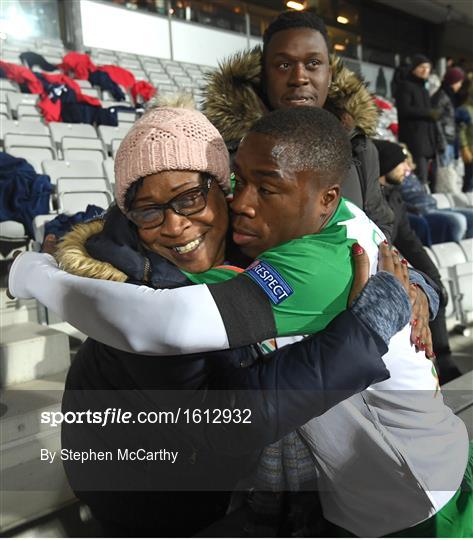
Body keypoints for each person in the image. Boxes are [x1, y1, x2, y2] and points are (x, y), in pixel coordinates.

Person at [10, 106, 471, 538]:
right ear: (129, 216)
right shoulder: (133, 293)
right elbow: (220, 414)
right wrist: (367, 330)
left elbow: (368, 265)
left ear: (217, 186)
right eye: (149, 210)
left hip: (404, 487)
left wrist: (417, 293)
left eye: (191, 197)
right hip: (159, 502)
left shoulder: (281, 247)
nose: (174, 225)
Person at [203, 10, 394, 239]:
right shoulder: (224, 152)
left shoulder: (359, 147)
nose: (299, 77)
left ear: (330, 75)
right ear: (263, 75)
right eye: (283, 65)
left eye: (313, 63)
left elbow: (381, 226)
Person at [374, 139, 463, 384]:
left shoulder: (395, 196)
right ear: (385, 166)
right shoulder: (373, 200)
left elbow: (409, 240)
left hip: (393, 265)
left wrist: (432, 277)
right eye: (400, 163)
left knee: (434, 287)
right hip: (377, 272)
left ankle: (444, 361)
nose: (407, 168)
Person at [398, 142, 473, 243]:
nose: (406, 164)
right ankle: (448, 253)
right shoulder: (393, 178)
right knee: (458, 221)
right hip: (420, 211)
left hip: (432, 207)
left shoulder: (411, 174)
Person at [395, 54, 438, 186]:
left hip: (427, 142)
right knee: (419, 177)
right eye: (422, 67)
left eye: (428, 68)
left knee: (429, 178)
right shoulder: (405, 86)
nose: (426, 71)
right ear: (413, 68)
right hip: (414, 140)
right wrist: (429, 113)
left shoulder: (424, 89)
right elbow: (404, 109)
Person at [431, 67, 465, 167]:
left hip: (449, 139)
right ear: (453, 81)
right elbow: (435, 118)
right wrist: (441, 140)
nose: (460, 85)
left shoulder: (450, 95)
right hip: (444, 140)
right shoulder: (442, 96)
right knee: (444, 173)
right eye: (459, 82)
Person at [458, 78, 473, 192]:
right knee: (470, 180)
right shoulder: (465, 110)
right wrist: (464, 147)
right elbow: (461, 130)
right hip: (470, 150)